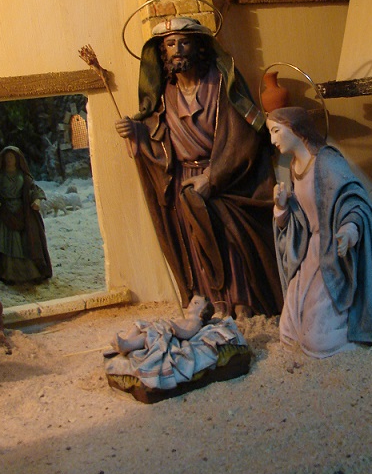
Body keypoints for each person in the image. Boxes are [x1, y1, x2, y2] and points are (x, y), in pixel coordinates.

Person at [115, 16, 283, 318]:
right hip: (185, 181)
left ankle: (241, 303)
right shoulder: (165, 93)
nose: (177, 49)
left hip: (225, 178)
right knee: (197, 245)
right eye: (170, 44)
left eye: (184, 42)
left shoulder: (220, 84)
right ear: (163, 52)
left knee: (229, 240)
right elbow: (158, 137)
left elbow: (243, 137)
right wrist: (136, 132)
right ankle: (214, 303)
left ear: (199, 47)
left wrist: (212, 177)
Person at [266, 107, 372, 358]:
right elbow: (300, 223)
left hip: (333, 254)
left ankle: (354, 330)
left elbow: (354, 201)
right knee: (288, 332)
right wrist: (282, 207)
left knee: (318, 341)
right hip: (310, 253)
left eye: (276, 131)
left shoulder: (327, 161)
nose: (273, 140)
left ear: (295, 128)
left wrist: (349, 230)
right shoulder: (294, 167)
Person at [0, 146, 52, 285]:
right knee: (7, 244)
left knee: (26, 243)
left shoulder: (23, 176)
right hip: (5, 213)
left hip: (22, 212)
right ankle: (9, 274)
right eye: (7, 157)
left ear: (17, 159)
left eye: (12, 157)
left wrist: (37, 200)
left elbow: (34, 189)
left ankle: (30, 273)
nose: (9, 159)